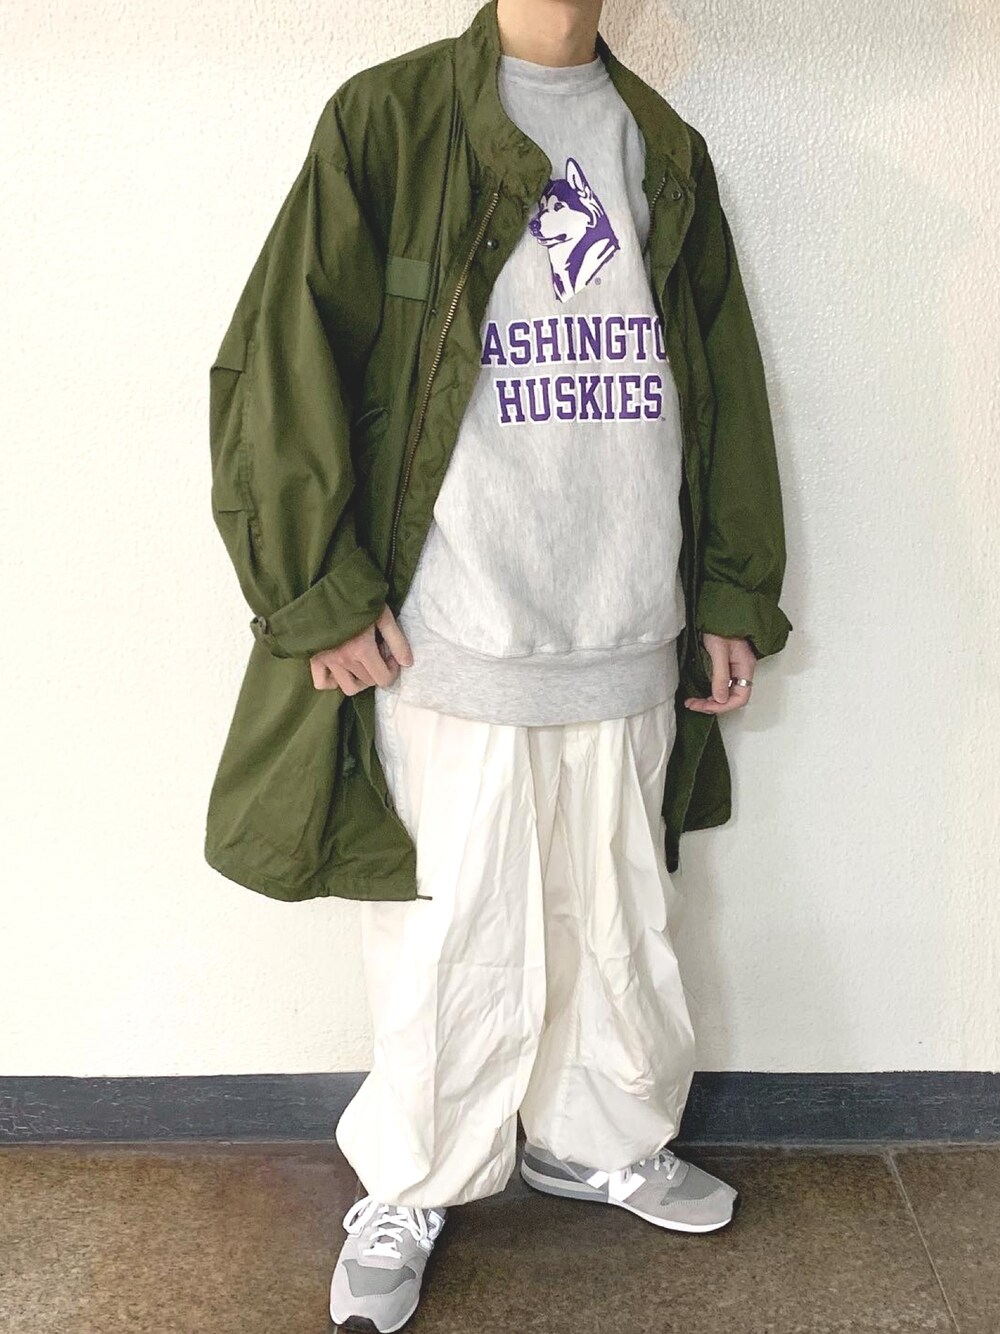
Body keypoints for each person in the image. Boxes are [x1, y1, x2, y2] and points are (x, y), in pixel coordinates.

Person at [207, 2, 792, 1330]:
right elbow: (282, 360)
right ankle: (413, 1179)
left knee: (619, 911)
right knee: (450, 929)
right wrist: (319, 591)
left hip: (626, 608)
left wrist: (728, 587)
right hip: (455, 620)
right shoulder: (389, 121)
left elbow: (721, 381)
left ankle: (599, 1137)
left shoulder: (661, 143)